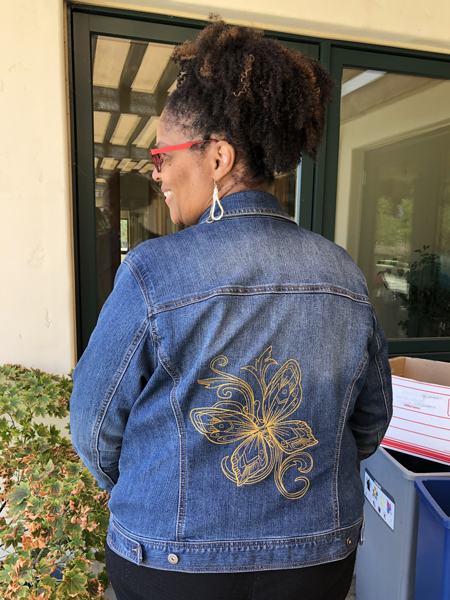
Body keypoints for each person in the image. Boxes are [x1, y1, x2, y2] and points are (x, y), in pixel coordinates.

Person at [70, 18, 393, 600]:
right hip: (314, 560)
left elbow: (94, 429)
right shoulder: (343, 273)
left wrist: (155, 487)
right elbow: (369, 422)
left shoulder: (151, 272)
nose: (156, 172)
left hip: (170, 564)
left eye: (161, 154)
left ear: (218, 157)